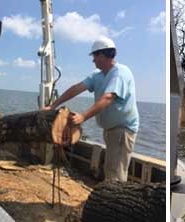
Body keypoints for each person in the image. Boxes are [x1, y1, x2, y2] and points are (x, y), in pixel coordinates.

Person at [45, 36, 139, 182]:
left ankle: (115, 202)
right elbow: (76, 89)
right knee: (111, 168)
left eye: (94, 56)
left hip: (122, 130)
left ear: (102, 55)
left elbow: (108, 98)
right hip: (111, 130)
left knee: (116, 172)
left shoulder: (120, 73)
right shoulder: (98, 75)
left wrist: (83, 116)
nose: (93, 60)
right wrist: (53, 105)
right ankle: (109, 200)